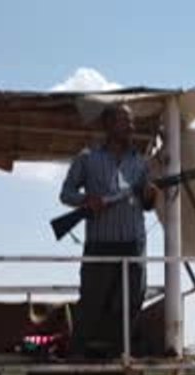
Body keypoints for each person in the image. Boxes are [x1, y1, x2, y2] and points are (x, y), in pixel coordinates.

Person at [59, 103, 159, 358]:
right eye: (124, 121)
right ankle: (78, 351)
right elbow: (66, 194)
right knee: (92, 300)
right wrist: (87, 200)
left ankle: (121, 351)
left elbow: (147, 205)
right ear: (108, 125)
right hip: (100, 244)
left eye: (131, 122)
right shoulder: (88, 158)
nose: (131, 126)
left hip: (133, 243)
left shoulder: (140, 163)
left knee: (132, 300)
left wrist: (151, 195)